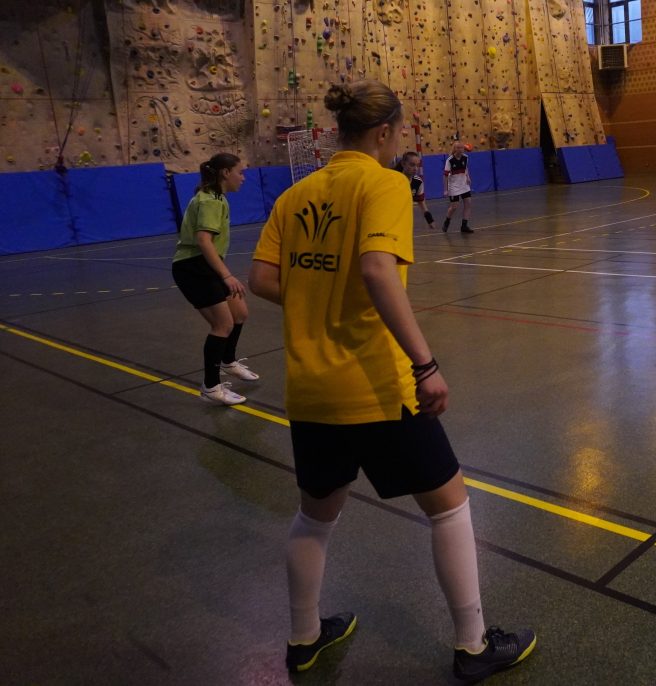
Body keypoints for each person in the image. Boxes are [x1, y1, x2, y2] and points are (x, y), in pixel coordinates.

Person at [248, 79, 535, 680]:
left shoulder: (296, 196)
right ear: (385, 132)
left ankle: (303, 638)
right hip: (376, 386)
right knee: (450, 506)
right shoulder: (383, 183)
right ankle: (474, 646)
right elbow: (377, 270)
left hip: (310, 390)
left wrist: (319, 297)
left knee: (315, 516)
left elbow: (262, 279)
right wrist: (426, 364)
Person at [170, 153, 259, 406]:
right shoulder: (211, 201)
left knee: (239, 312)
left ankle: (228, 361)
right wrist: (226, 275)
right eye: (240, 172)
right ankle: (211, 387)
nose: (243, 178)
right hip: (192, 268)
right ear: (225, 173)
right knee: (223, 325)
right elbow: (203, 240)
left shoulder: (217, 198)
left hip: (203, 266)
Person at [397, 151, 436, 229]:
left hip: (405, 219)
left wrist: (429, 220)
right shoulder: (394, 179)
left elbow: (421, 202)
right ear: (403, 164)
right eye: (412, 165)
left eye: (417, 165)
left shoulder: (418, 182)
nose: (415, 168)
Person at [443, 141, 474, 233]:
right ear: (455, 149)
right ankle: (447, 221)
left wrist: (468, 177)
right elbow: (445, 175)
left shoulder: (465, 157)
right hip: (453, 185)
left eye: (462, 148)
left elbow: (465, 168)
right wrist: (445, 189)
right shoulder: (450, 160)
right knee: (454, 207)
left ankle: (464, 226)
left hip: (463, 184)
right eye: (458, 148)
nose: (460, 149)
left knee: (468, 203)